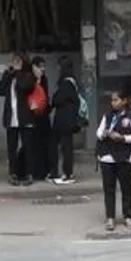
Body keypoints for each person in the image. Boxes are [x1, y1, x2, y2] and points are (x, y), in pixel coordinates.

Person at [95, 88, 131, 231]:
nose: (113, 103)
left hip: (124, 157)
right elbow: (98, 131)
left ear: (124, 101)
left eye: (116, 100)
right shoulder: (107, 115)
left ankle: (127, 216)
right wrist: (103, 134)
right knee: (109, 188)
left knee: (126, 187)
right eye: (112, 100)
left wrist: (123, 138)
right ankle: (110, 217)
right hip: (107, 157)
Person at [0, 53, 36, 187]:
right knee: (11, 148)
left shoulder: (28, 76)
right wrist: (8, 73)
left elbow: (23, 87)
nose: (15, 64)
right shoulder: (10, 76)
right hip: (11, 118)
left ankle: (28, 172)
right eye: (14, 61)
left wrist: (18, 73)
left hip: (25, 117)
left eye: (18, 61)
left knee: (28, 147)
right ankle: (12, 173)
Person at [50, 57, 82, 185]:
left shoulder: (67, 83)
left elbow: (57, 100)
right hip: (68, 120)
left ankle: (67, 174)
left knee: (66, 147)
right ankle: (66, 172)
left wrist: (54, 98)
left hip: (65, 121)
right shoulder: (72, 82)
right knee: (65, 146)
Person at [28, 56, 53, 180]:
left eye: (43, 66)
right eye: (39, 66)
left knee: (45, 143)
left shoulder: (44, 80)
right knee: (33, 144)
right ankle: (33, 170)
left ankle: (44, 170)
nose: (42, 69)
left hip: (43, 116)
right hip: (32, 116)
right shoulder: (29, 79)